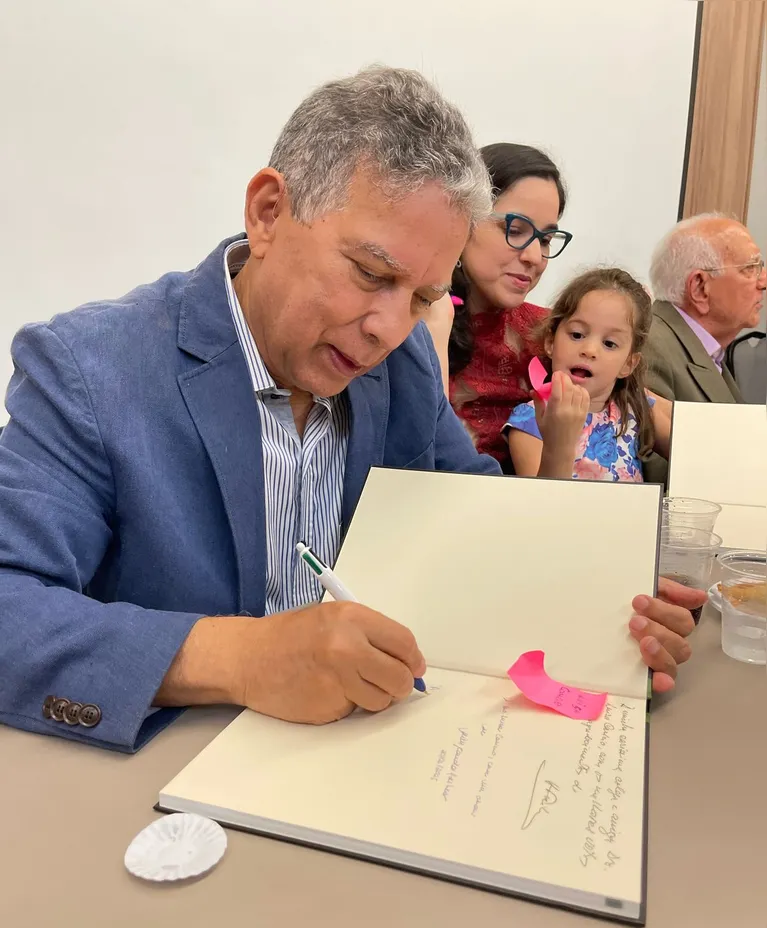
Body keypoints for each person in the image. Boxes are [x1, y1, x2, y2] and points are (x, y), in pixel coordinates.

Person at [0, 67, 701, 754]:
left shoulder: (402, 363)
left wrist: (599, 588)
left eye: (425, 297)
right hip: (164, 781)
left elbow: (476, 515)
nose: (389, 328)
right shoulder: (92, 369)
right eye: (371, 274)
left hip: (374, 751)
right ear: (269, 212)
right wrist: (239, 658)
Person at [427, 143, 572, 472]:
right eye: (515, 230)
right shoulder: (411, 320)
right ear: (463, 220)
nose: (534, 257)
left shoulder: (551, 334)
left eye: (545, 240)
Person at [505, 268, 671, 480]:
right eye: (577, 335)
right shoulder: (529, 420)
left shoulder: (636, 408)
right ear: (550, 342)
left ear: (628, 364)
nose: (589, 350)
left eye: (609, 343)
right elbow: (543, 503)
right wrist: (560, 441)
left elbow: (695, 453)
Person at [645, 213, 765, 404]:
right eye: (750, 268)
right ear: (700, 288)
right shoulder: (650, 350)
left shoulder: (708, 352)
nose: (763, 282)